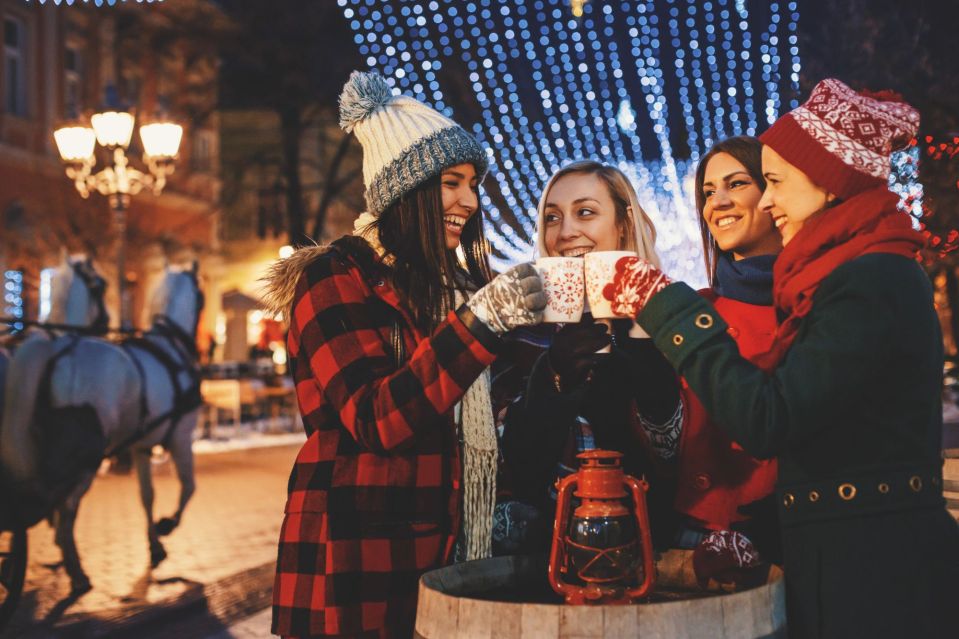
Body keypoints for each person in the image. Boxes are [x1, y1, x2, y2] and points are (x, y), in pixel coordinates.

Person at [603, 78, 959, 637]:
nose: (767, 201)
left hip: (873, 578)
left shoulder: (866, 280)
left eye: (773, 182)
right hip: (850, 564)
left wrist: (666, 305)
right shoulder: (848, 276)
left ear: (829, 181)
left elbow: (771, 419)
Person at [264, 70, 545, 638]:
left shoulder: (454, 291)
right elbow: (376, 418)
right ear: (406, 190)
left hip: (445, 554)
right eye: (451, 182)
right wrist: (483, 321)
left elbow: (497, 416)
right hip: (356, 562)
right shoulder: (335, 277)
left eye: (473, 184)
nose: (470, 201)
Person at [498, 160, 678, 549]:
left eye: (585, 212)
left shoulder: (667, 317)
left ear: (623, 224)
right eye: (552, 217)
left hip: (649, 547)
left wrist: (644, 365)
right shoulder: (518, 330)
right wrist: (552, 380)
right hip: (542, 549)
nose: (565, 232)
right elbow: (511, 469)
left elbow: (680, 462)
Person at [673, 136, 783, 573]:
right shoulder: (692, 309)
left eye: (736, 184)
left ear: (774, 192)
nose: (717, 202)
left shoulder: (814, 308)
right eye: (708, 191)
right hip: (686, 538)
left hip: (782, 540)